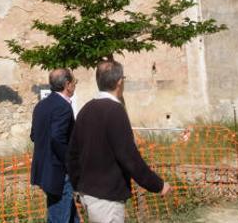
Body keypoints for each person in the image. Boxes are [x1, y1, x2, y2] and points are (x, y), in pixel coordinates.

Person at [66, 61, 172, 223]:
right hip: (106, 198)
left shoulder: (86, 109)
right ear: (120, 82)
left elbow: (73, 155)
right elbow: (129, 157)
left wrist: (78, 186)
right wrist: (157, 184)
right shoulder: (115, 111)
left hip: (88, 193)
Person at [30, 68, 80, 223]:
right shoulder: (63, 107)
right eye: (74, 82)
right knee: (59, 218)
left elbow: (34, 136)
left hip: (45, 170)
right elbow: (57, 138)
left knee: (70, 217)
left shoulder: (41, 105)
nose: (75, 85)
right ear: (67, 84)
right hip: (59, 172)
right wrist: (69, 162)